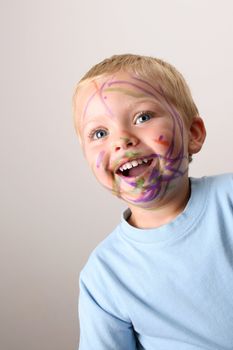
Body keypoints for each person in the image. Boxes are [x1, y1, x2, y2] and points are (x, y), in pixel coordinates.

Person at [72, 54, 233, 349]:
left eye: (142, 117)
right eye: (99, 133)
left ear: (193, 134)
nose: (121, 140)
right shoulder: (104, 275)